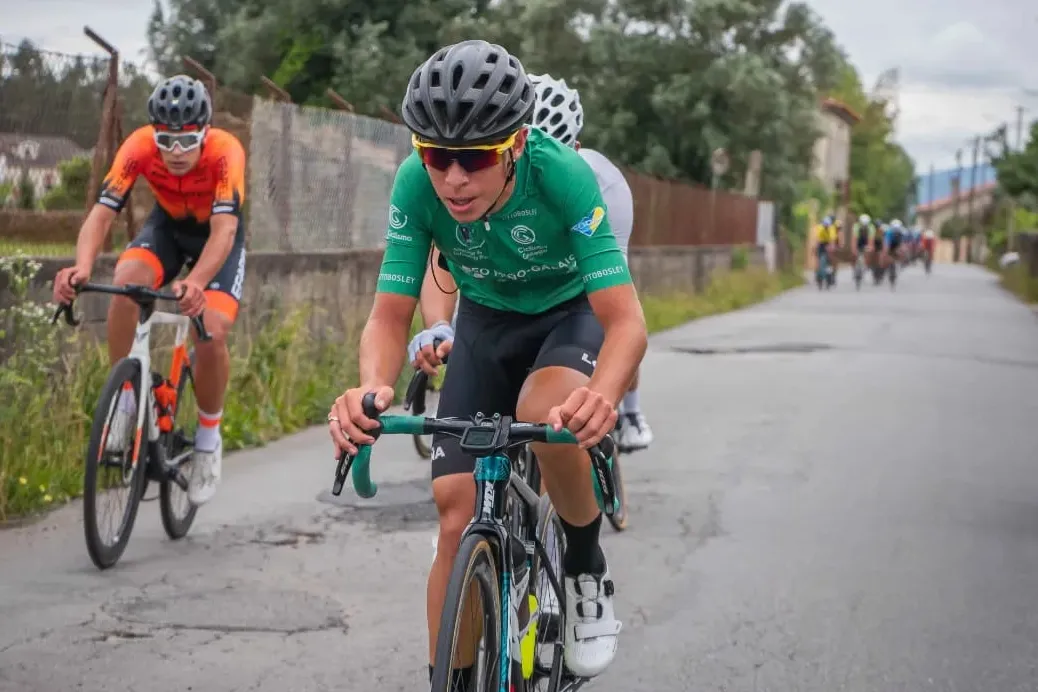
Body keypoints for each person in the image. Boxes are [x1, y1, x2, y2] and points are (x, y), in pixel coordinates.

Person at [327, 41, 644, 685]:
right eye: (437, 156)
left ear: (517, 145)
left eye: (474, 158)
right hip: (486, 322)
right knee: (454, 510)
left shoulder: (563, 177)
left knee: (546, 413)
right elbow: (389, 315)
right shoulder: (418, 185)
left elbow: (627, 322)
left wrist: (603, 396)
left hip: (568, 312)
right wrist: (370, 390)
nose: (453, 179)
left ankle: (584, 565)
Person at [410, 72, 653, 453]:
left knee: (613, 322)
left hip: (575, 285)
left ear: (573, 147)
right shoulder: (472, 181)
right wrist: (442, 326)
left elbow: (616, 305)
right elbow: (448, 261)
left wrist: (605, 391)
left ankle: (633, 413)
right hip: (496, 298)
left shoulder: (599, 183)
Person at [53, 75, 247, 506]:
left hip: (217, 240)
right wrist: (81, 268)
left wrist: (196, 282)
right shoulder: (138, 146)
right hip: (167, 230)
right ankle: (125, 402)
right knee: (127, 284)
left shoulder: (225, 151)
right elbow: (102, 213)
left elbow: (226, 228)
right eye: (166, 141)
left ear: (205, 132)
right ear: (153, 134)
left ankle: (208, 439)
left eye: (187, 141)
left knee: (209, 330)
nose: (175, 152)